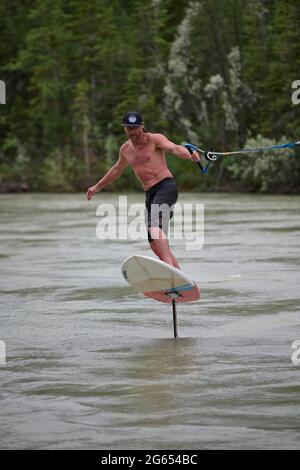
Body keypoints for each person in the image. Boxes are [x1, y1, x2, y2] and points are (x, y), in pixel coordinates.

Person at [86, 111, 200, 268]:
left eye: (135, 128)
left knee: (154, 227)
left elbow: (174, 148)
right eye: (129, 128)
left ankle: (167, 269)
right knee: (153, 242)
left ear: (142, 127)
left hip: (165, 186)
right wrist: (97, 186)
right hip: (150, 194)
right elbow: (116, 170)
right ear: (125, 129)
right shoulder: (125, 149)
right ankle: (179, 276)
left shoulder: (154, 140)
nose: (133, 132)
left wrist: (189, 155)